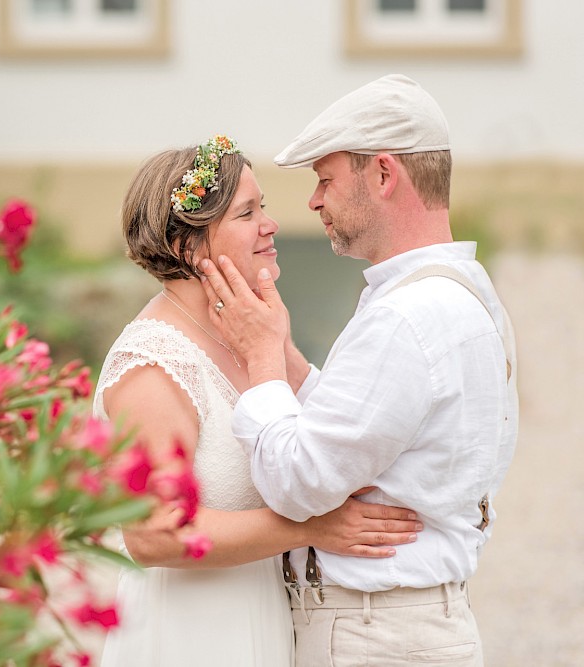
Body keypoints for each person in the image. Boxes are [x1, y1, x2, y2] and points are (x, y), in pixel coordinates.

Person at [200, 75, 519, 666]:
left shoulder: (406, 317)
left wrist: (264, 361)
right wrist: (281, 345)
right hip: (412, 625)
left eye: (325, 179)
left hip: (375, 637)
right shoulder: (460, 294)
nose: (314, 201)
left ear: (382, 174)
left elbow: (298, 484)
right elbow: (366, 426)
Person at [93, 134, 424, 667]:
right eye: (248, 213)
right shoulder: (155, 363)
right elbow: (153, 533)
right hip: (189, 637)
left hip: (259, 618)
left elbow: (324, 441)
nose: (271, 225)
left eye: (262, 207)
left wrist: (279, 346)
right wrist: (312, 527)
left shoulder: (244, 335)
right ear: (188, 246)